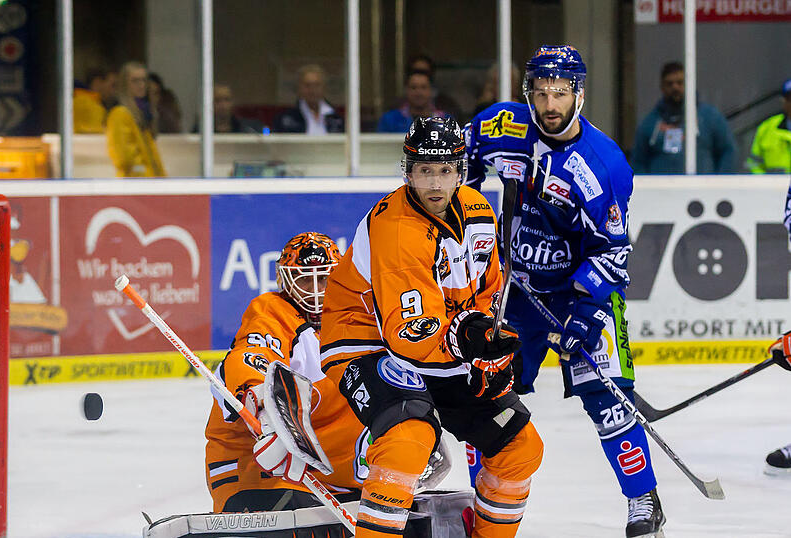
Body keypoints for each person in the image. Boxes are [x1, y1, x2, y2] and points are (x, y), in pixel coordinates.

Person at [463, 45, 664, 537]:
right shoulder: (502, 126)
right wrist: (464, 206)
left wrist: (585, 314)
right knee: (484, 396)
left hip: (582, 294)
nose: (550, 104)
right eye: (541, 92)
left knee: (609, 401)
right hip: (515, 292)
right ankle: (478, 498)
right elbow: (461, 153)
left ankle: (644, 501)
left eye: (561, 92)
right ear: (527, 93)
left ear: (579, 94)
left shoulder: (605, 165)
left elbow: (614, 252)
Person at [320, 116, 543, 538]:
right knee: (409, 437)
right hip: (366, 339)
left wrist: (489, 350)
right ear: (409, 172)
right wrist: (470, 339)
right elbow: (412, 336)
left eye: (444, 171)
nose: (435, 184)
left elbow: (487, 290)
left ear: (461, 171)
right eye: (425, 171)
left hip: (441, 347)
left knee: (520, 447)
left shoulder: (478, 210)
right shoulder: (396, 227)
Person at [204, 232, 366, 513]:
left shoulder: (352, 318)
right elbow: (251, 357)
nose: (316, 290)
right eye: (305, 279)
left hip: (324, 474)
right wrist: (263, 403)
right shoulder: (270, 311)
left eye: (324, 279)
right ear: (286, 280)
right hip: (255, 465)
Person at [631, 61, 735, 174]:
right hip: (662, 190)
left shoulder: (710, 117)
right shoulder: (650, 123)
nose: (675, 87)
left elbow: (728, 152)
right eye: (669, 84)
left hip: (701, 190)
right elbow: (638, 162)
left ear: (689, 84)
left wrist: (719, 184)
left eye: (680, 83)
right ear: (662, 87)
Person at [105, 62, 167, 177]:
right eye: (135, 81)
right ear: (125, 84)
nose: (141, 85)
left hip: (149, 182)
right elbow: (124, 158)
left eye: (144, 80)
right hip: (136, 184)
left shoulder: (143, 112)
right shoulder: (120, 114)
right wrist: (143, 174)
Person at [272, 65, 344, 134]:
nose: (312, 90)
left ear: (324, 88)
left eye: (317, 85)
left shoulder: (336, 118)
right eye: (307, 85)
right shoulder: (286, 119)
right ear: (299, 88)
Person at [746, 78, 791, 174]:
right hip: (774, 187)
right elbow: (753, 163)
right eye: (790, 99)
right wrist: (764, 183)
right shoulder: (767, 128)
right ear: (783, 101)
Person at [376, 70, 444, 133]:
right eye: (413, 87)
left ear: (431, 91)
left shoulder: (446, 120)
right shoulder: (389, 119)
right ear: (406, 90)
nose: (418, 92)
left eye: (423, 87)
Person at [192, 84, 265, 134]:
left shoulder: (248, 128)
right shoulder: (201, 130)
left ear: (233, 102)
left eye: (227, 100)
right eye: (217, 100)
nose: (222, 105)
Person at [73, 68, 116, 134]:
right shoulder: (89, 105)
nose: (114, 91)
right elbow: (95, 136)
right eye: (113, 85)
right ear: (97, 83)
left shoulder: (77, 99)